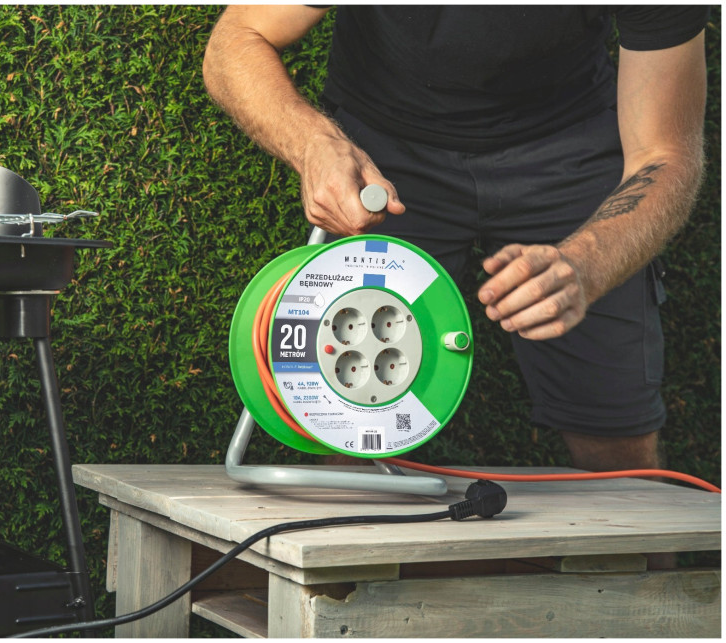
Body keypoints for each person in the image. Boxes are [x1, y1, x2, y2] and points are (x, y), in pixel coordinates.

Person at [202, 6, 708, 472]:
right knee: (351, 430)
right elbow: (238, 38)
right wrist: (315, 144)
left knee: (616, 438)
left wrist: (588, 264)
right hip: (384, 153)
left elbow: (665, 155)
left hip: (566, 149)